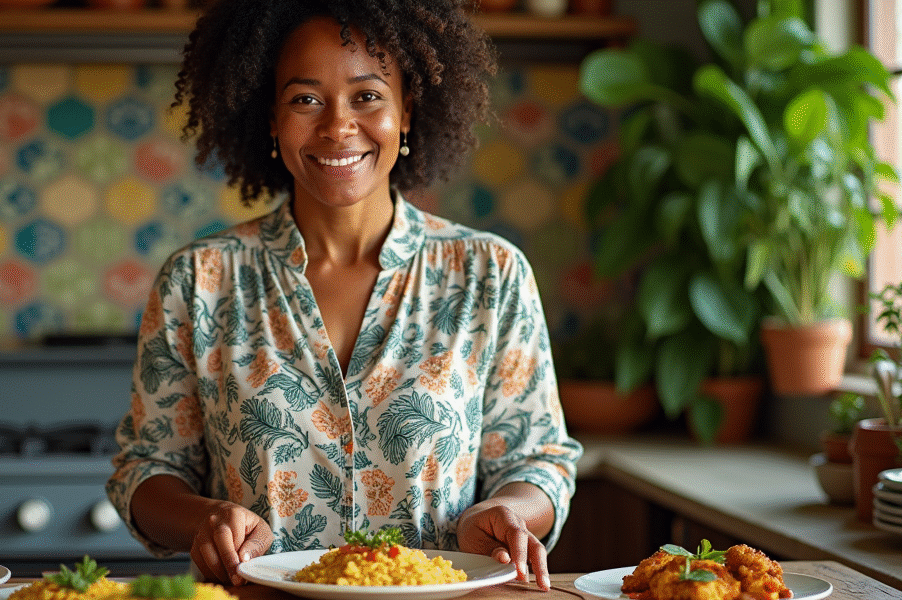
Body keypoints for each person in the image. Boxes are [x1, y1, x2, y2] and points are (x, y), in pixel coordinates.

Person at [106, 0, 583, 591]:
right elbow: (148, 469)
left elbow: (537, 460)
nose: (337, 126)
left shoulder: (489, 274)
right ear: (271, 118)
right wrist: (204, 518)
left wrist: (507, 509)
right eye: (305, 99)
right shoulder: (198, 280)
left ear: (406, 112)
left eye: (368, 96)